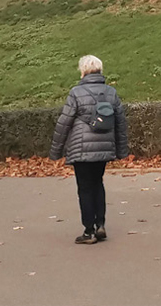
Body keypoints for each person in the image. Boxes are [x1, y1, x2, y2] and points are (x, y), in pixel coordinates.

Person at [49, 55, 129, 245]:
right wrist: (122, 150)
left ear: (83, 70)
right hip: (104, 147)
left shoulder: (76, 93)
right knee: (98, 184)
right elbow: (120, 123)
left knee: (84, 188)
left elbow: (64, 123)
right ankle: (100, 224)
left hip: (81, 148)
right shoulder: (111, 92)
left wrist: (56, 151)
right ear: (100, 70)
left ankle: (89, 231)